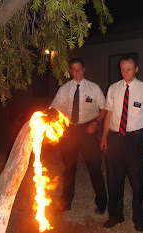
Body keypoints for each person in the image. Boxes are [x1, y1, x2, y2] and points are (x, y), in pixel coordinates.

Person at [100, 56, 143, 231]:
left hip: (136, 139)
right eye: (123, 69)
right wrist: (104, 136)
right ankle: (115, 215)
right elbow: (109, 114)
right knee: (114, 179)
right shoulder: (113, 88)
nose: (125, 72)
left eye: (129, 69)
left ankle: (139, 219)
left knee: (138, 181)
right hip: (115, 138)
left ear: (136, 69)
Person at [50, 58, 107, 214]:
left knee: (95, 168)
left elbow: (104, 108)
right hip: (69, 132)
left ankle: (102, 203)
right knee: (68, 169)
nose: (76, 72)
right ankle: (66, 202)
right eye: (73, 69)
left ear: (84, 69)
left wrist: (96, 123)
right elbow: (54, 110)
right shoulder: (64, 89)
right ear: (70, 71)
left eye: (79, 68)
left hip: (88, 130)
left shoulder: (93, 88)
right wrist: (60, 127)